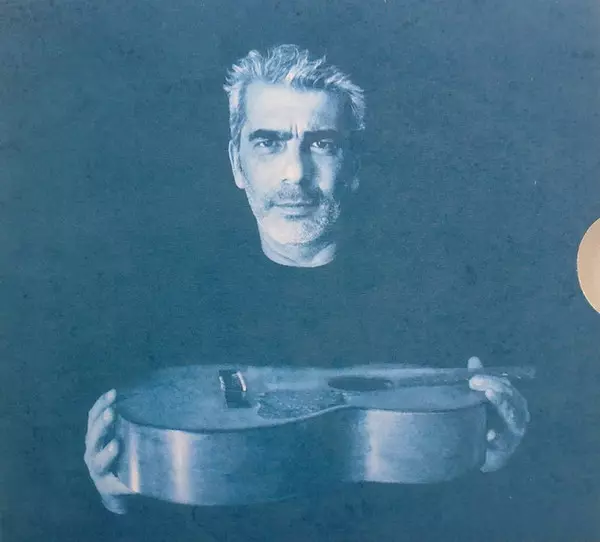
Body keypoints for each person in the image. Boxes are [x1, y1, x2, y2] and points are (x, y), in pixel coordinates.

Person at [83, 44, 531, 538]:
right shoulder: (167, 310)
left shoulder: (440, 306)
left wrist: (490, 460)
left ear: (353, 166)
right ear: (237, 164)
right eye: (268, 143)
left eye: (322, 144)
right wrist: (110, 494)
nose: (294, 174)